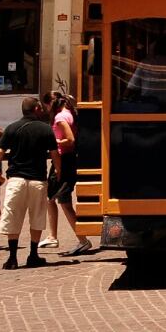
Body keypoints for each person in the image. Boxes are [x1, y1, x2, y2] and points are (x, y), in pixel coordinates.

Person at [0, 95, 58, 270]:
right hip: (38, 179)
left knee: (13, 216)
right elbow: (55, 154)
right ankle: (33, 255)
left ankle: (12, 258)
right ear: (36, 109)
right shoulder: (46, 129)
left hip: (16, 179)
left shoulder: (12, 128)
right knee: (37, 217)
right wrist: (59, 171)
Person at [43, 91, 92, 256]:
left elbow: (70, 140)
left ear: (50, 104)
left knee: (62, 200)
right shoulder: (70, 113)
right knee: (54, 198)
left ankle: (82, 240)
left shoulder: (60, 118)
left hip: (63, 160)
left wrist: (54, 142)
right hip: (67, 160)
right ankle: (54, 236)